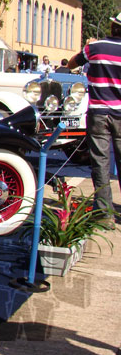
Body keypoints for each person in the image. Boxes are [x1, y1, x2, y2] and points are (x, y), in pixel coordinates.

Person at [68, 18, 121, 227]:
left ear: (112, 27)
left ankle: (105, 214)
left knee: (100, 162)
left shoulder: (95, 47)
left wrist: (88, 47)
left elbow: (72, 64)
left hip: (98, 112)